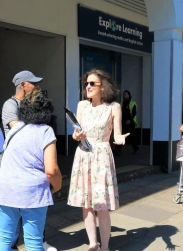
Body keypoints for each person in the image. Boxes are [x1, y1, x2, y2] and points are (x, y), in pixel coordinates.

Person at [68, 69, 129, 251]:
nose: (88, 86)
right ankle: (93, 243)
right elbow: (75, 133)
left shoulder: (113, 107)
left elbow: (116, 133)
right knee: (86, 204)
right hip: (83, 154)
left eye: (92, 83)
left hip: (101, 155)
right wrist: (77, 136)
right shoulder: (82, 106)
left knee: (101, 205)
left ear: (103, 87)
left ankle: (105, 247)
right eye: (86, 83)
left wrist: (119, 139)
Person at [0, 92, 62, 251]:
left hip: (6, 187)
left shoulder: (15, 128)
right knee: (33, 241)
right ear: (46, 111)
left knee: (4, 236)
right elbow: (51, 170)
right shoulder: (45, 131)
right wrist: (57, 186)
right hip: (32, 191)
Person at [115, 90, 139, 155]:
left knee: (132, 137)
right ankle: (118, 150)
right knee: (120, 135)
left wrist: (129, 120)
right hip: (123, 122)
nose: (124, 96)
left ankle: (136, 148)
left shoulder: (133, 103)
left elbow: (134, 113)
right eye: (123, 94)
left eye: (125, 94)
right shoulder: (121, 104)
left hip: (130, 123)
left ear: (128, 95)